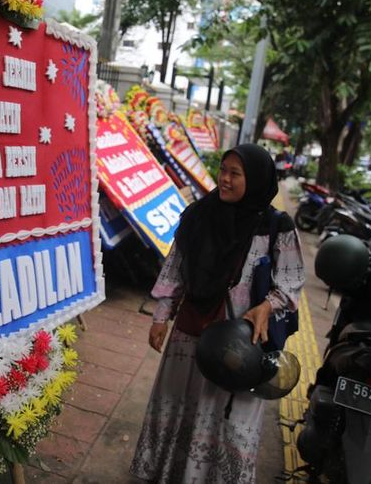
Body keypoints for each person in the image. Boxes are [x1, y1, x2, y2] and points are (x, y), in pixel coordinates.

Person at [130, 144, 306, 483]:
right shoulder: (198, 215)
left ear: (254, 179)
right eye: (223, 170)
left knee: (228, 419)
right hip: (191, 336)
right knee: (180, 404)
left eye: (234, 174)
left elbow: (291, 282)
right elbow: (175, 269)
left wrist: (267, 305)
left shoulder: (275, 227)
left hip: (241, 346)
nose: (224, 179)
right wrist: (160, 316)